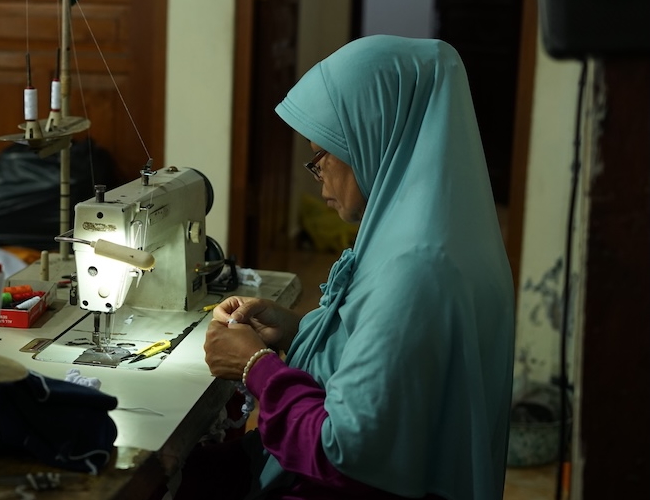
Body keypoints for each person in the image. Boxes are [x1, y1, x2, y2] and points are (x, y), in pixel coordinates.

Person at [183, 35, 515, 500]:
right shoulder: (441, 234)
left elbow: (340, 453)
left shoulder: (415, 271)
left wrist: (255, 366)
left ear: (373, 140)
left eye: (321, 156)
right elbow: (389, 364)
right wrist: (298, 330)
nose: (317, 176)